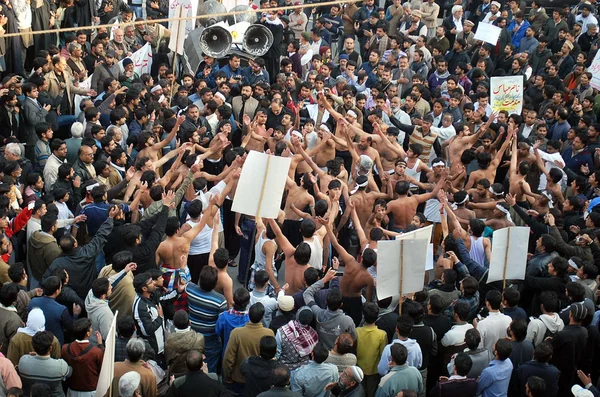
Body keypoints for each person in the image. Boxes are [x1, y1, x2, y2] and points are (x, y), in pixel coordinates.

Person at [223, 303, 274, 395]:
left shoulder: (236, 333)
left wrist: (227, 375)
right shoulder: (269, 333)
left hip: (239, 378)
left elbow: (228, 358)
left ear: (248, 314)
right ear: (262, 317)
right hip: (259, 378)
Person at [18, 330, 72, 397]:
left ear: (34, 347)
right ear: (50, 347)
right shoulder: (60, 365)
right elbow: (70, 372)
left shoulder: (23, 361)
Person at [165, 310, 205, 379]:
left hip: (175, 376)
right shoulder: (200, 338)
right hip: (195, 374)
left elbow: (168, 361)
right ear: (189, 322)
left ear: (174, 324)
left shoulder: (168, 342)